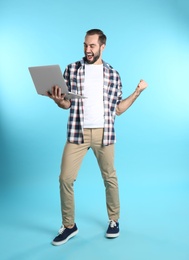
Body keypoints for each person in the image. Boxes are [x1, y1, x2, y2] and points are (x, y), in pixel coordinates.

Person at [47, 29, 148, 246]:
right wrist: (57, 100)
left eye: (92, 46)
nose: (87, 49)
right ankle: (69, 225)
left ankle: (114, 220)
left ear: (102, 46)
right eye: (85, 45)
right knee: (65, 178)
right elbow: (66, 103)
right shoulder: (72, 69)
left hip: (104, 132)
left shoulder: (113, 74)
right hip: (77, 132)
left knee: (109, 177)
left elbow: (118, 109)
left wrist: (137, 92)